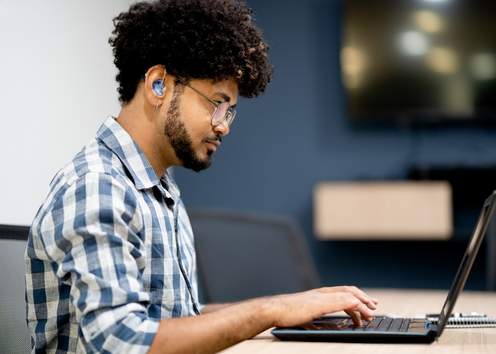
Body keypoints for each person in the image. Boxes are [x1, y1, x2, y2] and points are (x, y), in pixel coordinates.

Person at [24, 0, 378, 353]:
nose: (223, 126)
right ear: (158, 84)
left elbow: (181, 318)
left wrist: (285, 309)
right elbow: (124, 342)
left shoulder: (159, 190)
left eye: (230, 112)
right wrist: (272, 309)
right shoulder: (97, 187)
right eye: (216, 103)